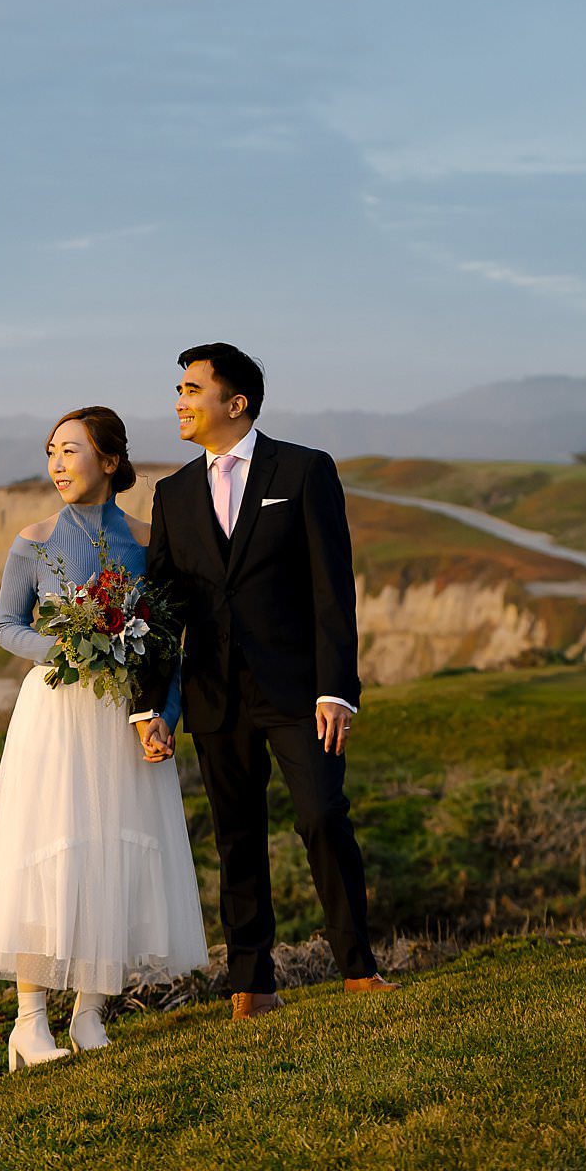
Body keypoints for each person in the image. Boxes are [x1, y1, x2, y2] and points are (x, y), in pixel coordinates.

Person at [131, 342, 400, 1020]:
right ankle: (252, 981)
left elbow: (332, 590)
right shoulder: (173, 493)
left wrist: (337, 688)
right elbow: (161, 611)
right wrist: (149, 705)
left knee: (321, 815)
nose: (180, 401)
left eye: (192, 389)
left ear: (235, 402)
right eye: (179, 389)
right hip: (214, 696)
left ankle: (357, 965)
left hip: (298, 690)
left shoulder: (305, 471)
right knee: (236, 835)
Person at [0, 405, 209, 1071]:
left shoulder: (147, 540)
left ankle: (91, 1013)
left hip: (123, 714)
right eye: (51, 452)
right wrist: (67, 646)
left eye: (71, 451)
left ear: (108, 459)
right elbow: (5, 625)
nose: (57, 464)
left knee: (115, 852)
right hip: (56, 711)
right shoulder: (33, 539)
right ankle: (29, 1021)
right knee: (53, 851)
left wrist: (167, 713)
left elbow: (167, 643)